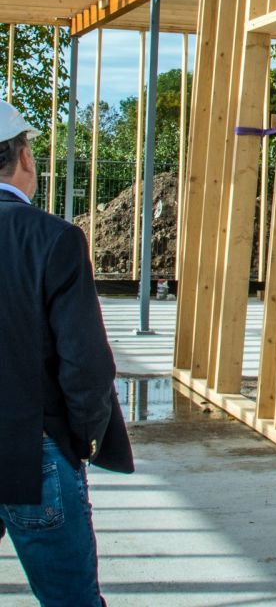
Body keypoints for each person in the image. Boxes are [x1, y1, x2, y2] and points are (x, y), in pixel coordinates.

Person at [0, 100, 133, 606]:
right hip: (32, 448)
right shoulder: (53, 238)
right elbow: (86, 363)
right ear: (24, 158)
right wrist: (81, 439)